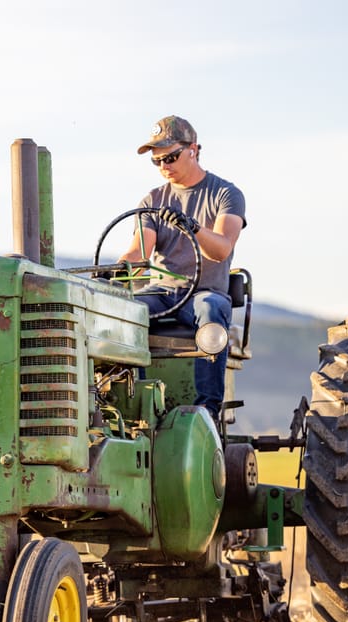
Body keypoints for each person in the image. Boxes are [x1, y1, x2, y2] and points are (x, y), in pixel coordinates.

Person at [118, 115, 247, 420]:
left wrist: (192, 227)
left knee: (212, 310)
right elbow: (140, 251)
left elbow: (222, 249)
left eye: (171, 157)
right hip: (163, 293)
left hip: (203, 293)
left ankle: (207, 409)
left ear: (194, 149)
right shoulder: (153, 199)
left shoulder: (225, 194)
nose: (164, 166)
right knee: (125, 311)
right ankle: (133, 402)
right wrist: (119, 268)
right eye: (157, 161)